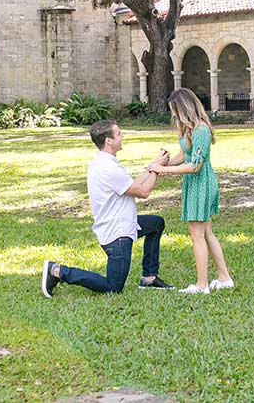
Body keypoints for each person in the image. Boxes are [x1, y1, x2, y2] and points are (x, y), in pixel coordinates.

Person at [41, 119, 174, 297]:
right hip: (117, 234)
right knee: (113, 286)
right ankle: (58, 271)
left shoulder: (105, 162)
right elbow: (143, 191)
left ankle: (149, 277)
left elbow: (131, 185)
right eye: (118, 133)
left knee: (156, 223)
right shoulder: (108, 168)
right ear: (108, 140)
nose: (122, 136)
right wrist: (157, 169)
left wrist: (153, 165)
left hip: (124, 222)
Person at [149, 88, 234, 295]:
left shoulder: (201, 130)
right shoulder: (188, 129)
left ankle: (201, 285)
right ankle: (224, 278)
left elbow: (195, 165)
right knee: (205, 232)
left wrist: (164, 170)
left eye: (175, 111)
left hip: (201, 182)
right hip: (193, 183)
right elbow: (184, 156)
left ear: (184, 108)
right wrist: (163, 161)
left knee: (197, 234)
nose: (173, 115)